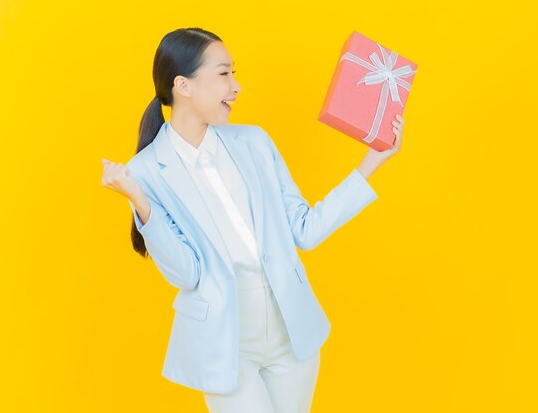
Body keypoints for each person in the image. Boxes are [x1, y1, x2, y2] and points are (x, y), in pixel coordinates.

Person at [100, 27, 404, 413]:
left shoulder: (255, 142)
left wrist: (370, 164)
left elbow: (304, 230)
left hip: (290, 332)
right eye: (224, 74)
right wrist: (140, 202)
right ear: (184, 86)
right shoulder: (144, 172)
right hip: (225, 342)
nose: (237, 86)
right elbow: (186, 274)